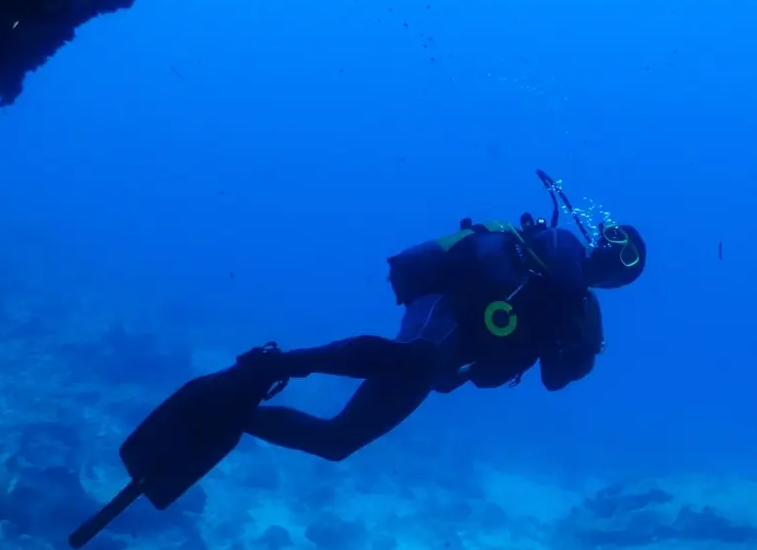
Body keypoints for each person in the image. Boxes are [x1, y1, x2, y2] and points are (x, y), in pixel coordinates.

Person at [239, 172, 645, 463]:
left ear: (623, 282)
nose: (615, 254)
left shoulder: (579, 307)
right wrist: (586, 329)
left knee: (337, 442)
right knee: (417, 356)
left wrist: (582, 348)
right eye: (616, 241)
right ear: (600, 238)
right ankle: (278, 364)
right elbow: (566, 277)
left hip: (455, 354)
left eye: (627, 259)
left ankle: (236, 416)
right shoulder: (563, 243)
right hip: (447, 305)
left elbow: (555, 379)